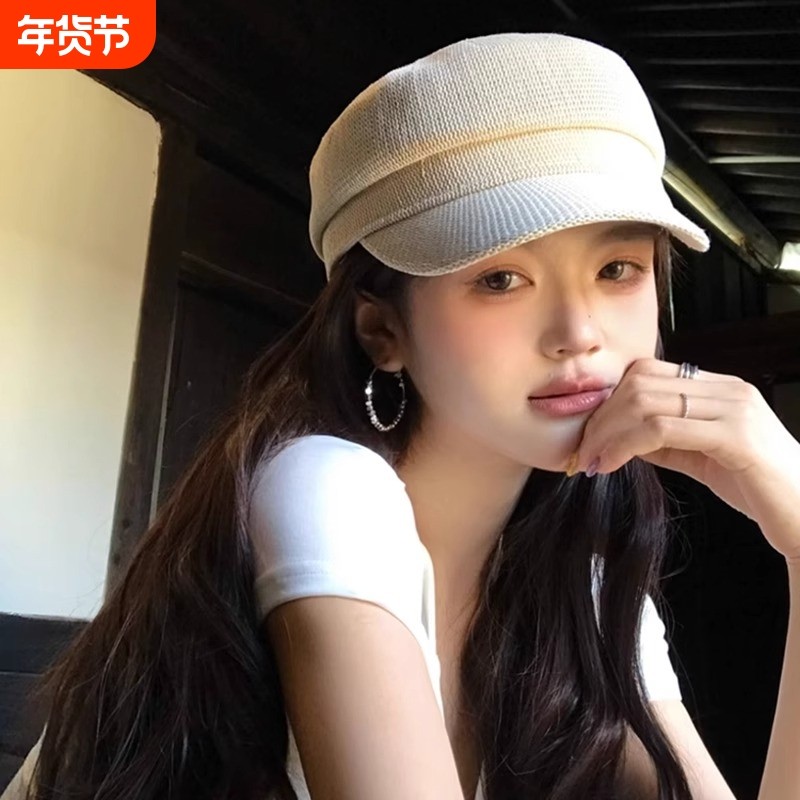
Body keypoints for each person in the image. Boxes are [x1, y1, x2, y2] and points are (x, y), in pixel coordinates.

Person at [4, 31, 800, 800]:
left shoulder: (584, 591)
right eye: (499, 279)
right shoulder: (328, 486)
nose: (579, 333)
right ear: (381, 330)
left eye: (617, 269)